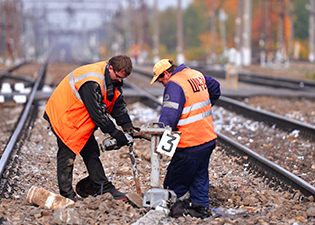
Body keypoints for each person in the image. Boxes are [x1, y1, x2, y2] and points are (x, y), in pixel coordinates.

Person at [44, 55, 137, 201]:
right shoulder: (92, 81)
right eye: (118, 77)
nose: (120, 81)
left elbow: (117, 103)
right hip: (65, 116)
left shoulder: (112, 79)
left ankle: (103, 188)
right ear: (111, 68)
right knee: (67, 155)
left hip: (80, 117)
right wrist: (114, 132)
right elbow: (97, 113)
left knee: (92, 151)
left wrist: (127, 125)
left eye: (122, 79)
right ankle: (67, 196)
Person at [150, 59, 221, 210]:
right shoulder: (194, 74)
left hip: (190, 142)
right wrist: (206, 106)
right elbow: (215, 87)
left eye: (161, 79)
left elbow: (169, 116)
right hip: (207, 139)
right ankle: (201, 211)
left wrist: (162, 140)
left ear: (166, 73)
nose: (161, 83)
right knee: (199, 179)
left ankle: (172, 212)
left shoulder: (174, 84)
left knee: (173, 183)